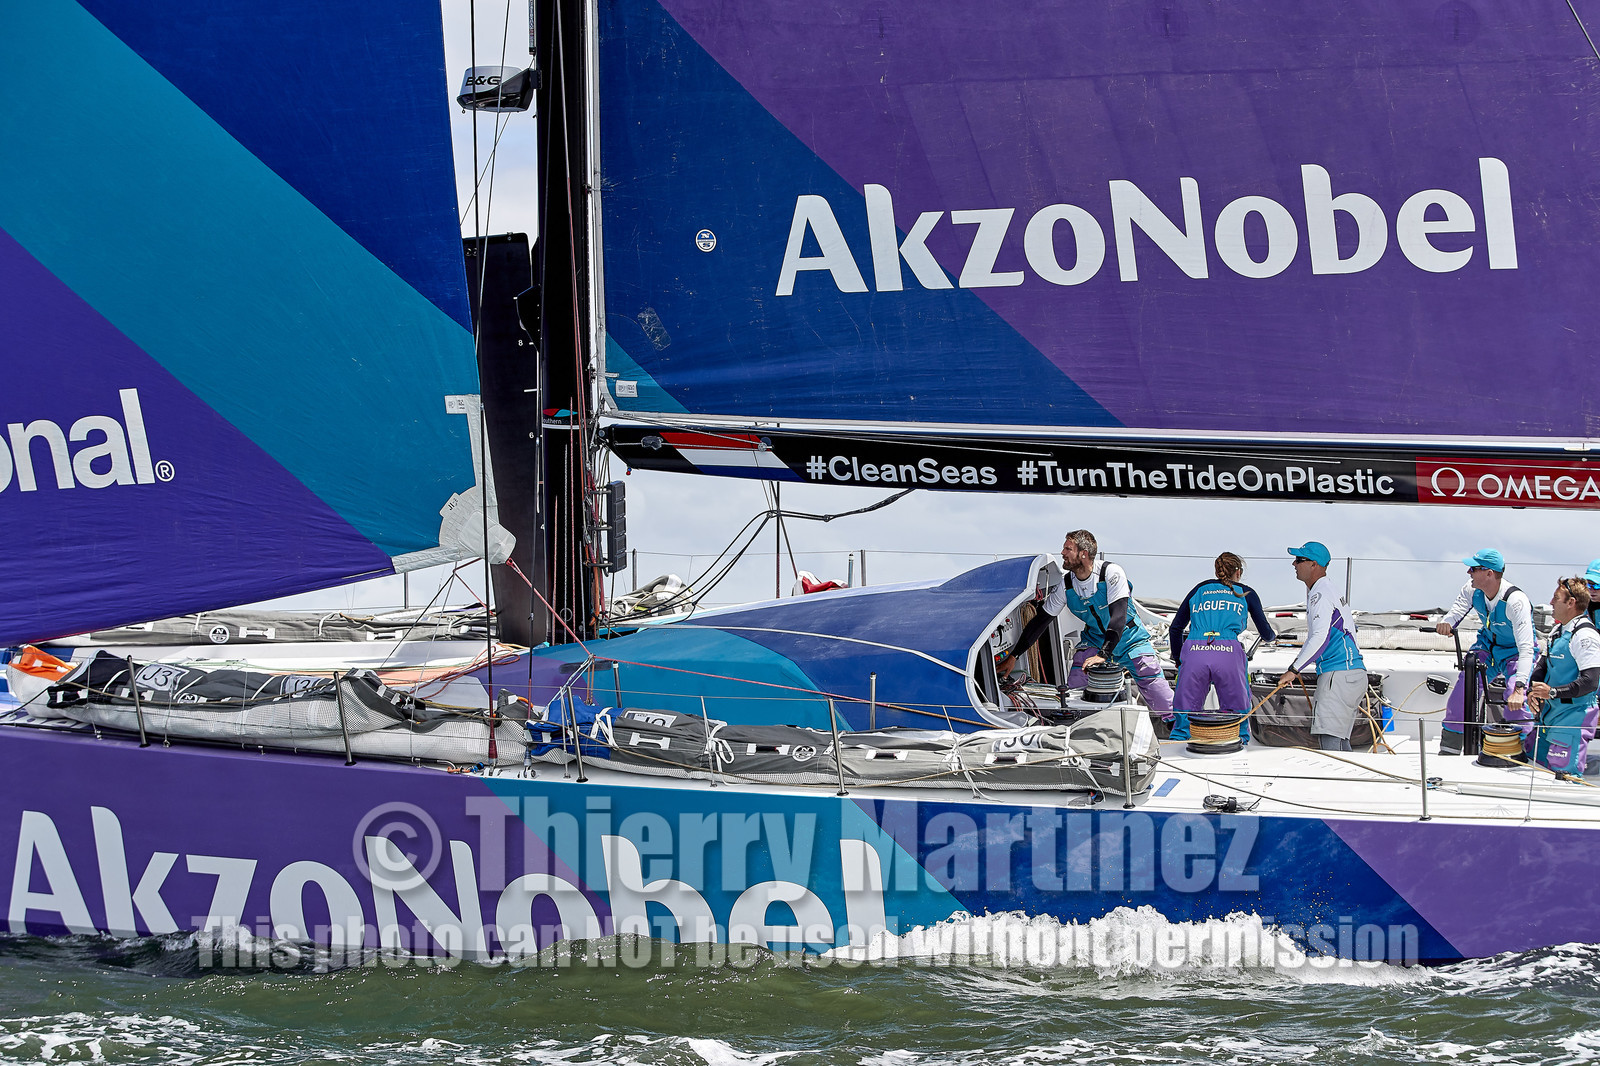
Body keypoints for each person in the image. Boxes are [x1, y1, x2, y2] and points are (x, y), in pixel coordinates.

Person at [998, 530, 1177, 724]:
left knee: (1151, 679)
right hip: (1094, 639)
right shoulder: (1066, 586)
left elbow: (1118, 617)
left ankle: (1178, 727)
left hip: (1129, 639)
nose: (1062, 553)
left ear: (1083, 553)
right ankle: (1076, 727)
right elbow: (1041, 620)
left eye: (1068, 548)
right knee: (1075, 683)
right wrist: (1014, 656)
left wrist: (1103, 654)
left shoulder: (1111, 573)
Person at [1433, 549, 1536, 754]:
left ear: (1489, 573)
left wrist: (1519, 689)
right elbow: (1455, 612)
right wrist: (1446, 623)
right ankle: (1448, 752)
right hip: (1487, 647)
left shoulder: (1516, 601)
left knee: (1513, 697)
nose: (1469, 573)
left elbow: (1526, 649)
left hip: (1515, 653)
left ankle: (1523, 752)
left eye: (1473, 569)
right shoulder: (1471, 590)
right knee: (1463, 690)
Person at [1170, 553, 1278, 743]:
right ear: (1238, 572)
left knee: (1185, 713)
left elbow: (1175, 628)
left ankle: (1178, 745)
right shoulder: (1246, 592)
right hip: (1227, 651)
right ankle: (1239, 745)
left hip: (1195, 649)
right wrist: (1272, 636)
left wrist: (1179, 660)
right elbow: (1266, 632)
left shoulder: (1200, 589)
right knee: (1237, 712)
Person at [1278, 541, 1368, 751]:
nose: (1294, 563)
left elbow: (1320, 637)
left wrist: (1293, 670)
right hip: (1348, 674)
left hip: (1339, 674)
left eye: (1300, 560)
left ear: (1314, 565)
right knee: (1339, 741)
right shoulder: (1324, 590)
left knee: (1329, 741)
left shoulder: (1321, 593)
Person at [1527, 578, 1600, 775]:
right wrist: (1532, 691)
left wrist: (1551, 692)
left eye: (1556, 598)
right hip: (1547, 718)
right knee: (1532, 769)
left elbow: (1591, 681)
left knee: (1562, 779)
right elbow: (1542, 666)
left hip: (1572, 720)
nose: (1551, 602)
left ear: (1571, 603)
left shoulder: (1586, 636)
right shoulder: (1558, 630)